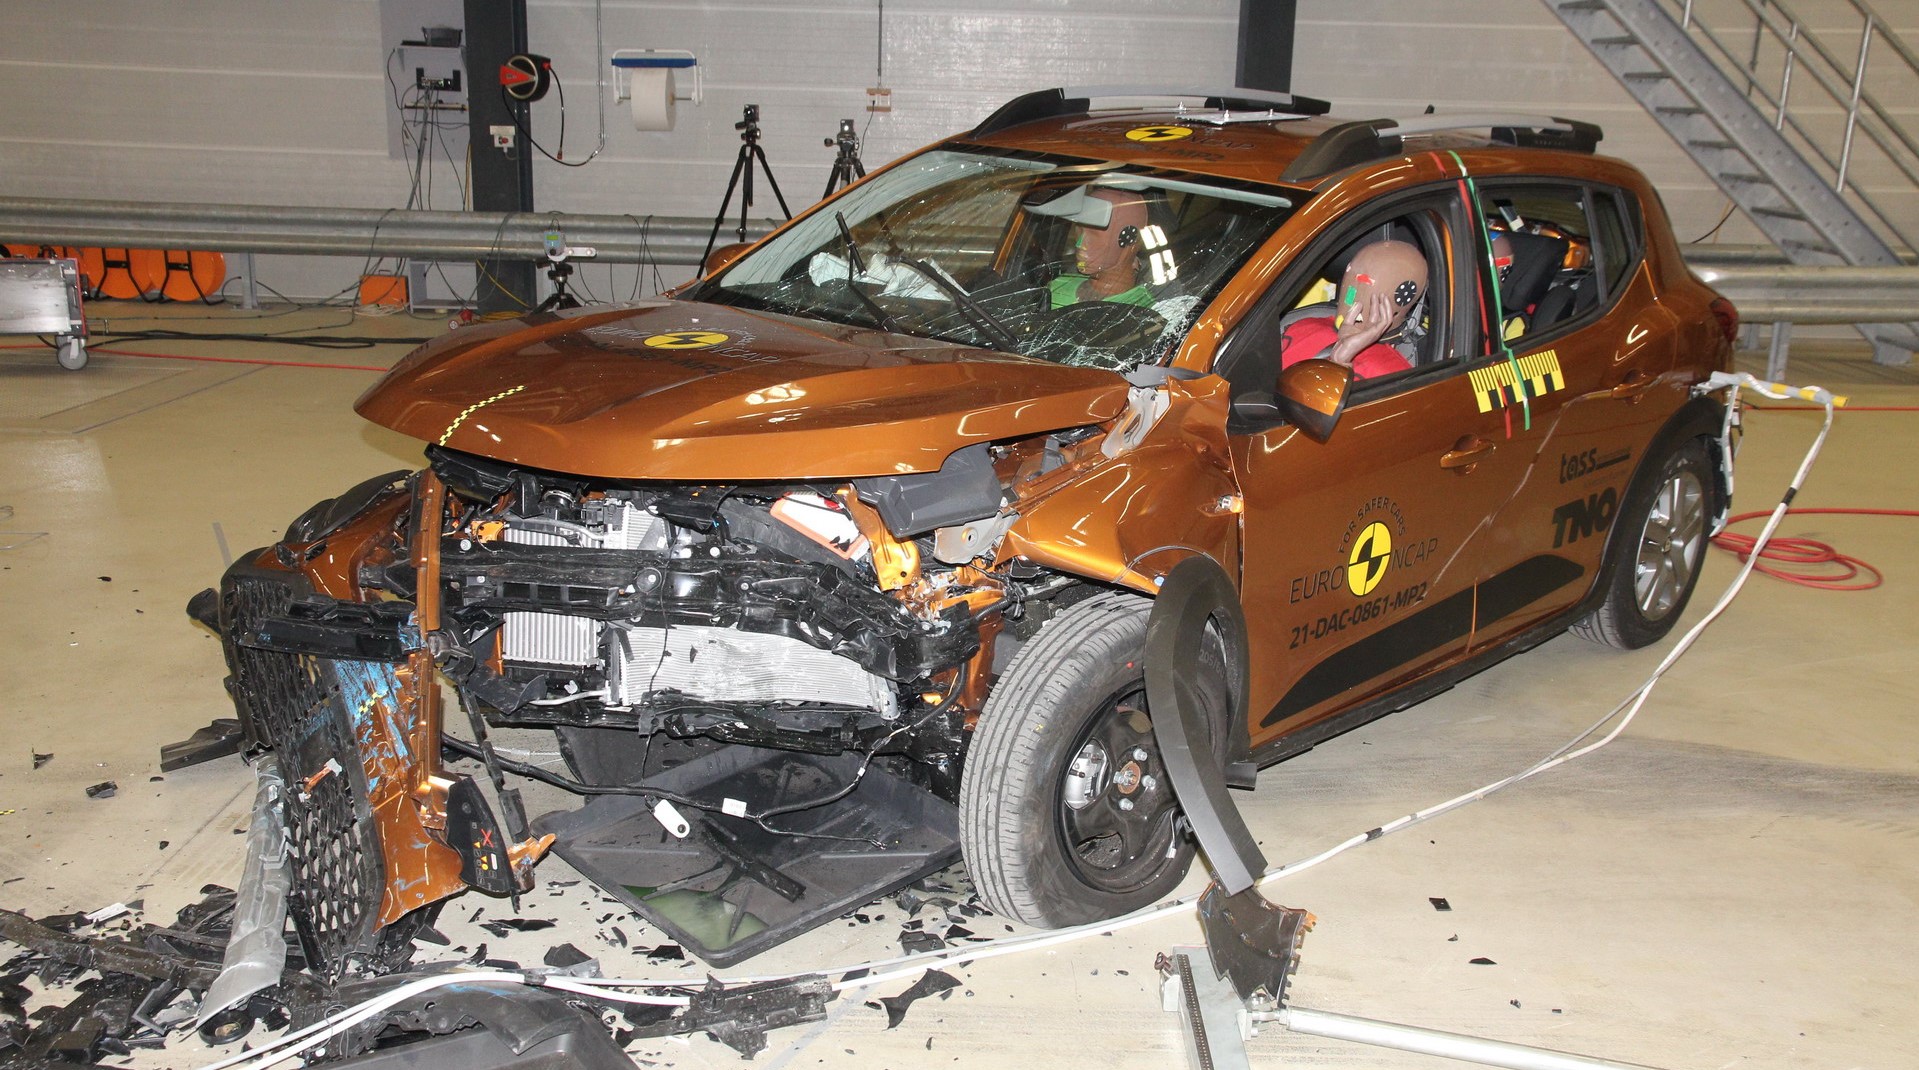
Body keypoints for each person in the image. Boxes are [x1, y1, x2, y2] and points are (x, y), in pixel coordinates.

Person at [1279, 239, 1427, 379]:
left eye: (1367, 281)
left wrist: (1340, 362)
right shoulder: (1301, 325)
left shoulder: (1392, 376)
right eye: (1351, 272)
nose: (1355, 287)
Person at [1027, 187, 1157, 309]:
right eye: (1079, 230)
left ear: (1128, 240)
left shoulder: (1143, 310)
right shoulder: (1056, 286)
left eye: (1094, 235)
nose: (1079, 243)